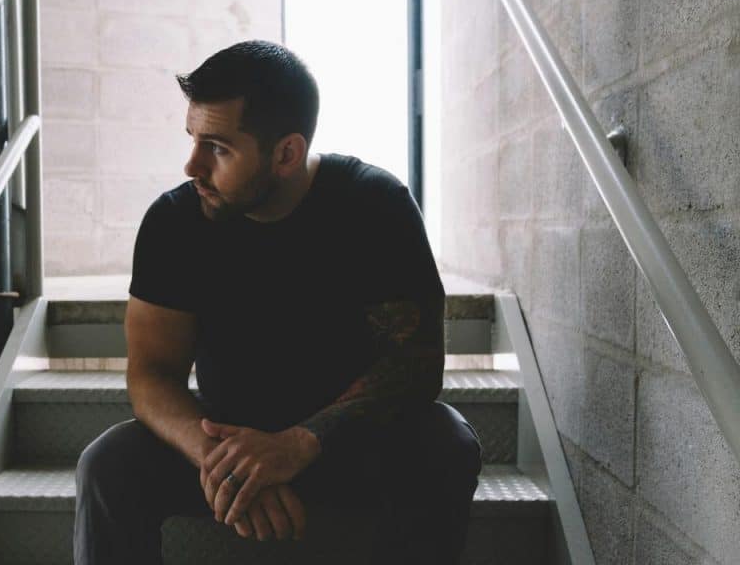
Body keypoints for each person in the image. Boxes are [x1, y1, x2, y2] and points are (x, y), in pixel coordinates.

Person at [74, 40, 481, 565]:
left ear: (286, 153)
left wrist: (298, 444)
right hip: (224, 442)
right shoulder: (175, 224)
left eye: (218, 148)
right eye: (193, 139)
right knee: (106, 464)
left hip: (343, 444)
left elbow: (416, 365)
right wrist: (226, 464)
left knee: (447, 443)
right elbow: (151, 374)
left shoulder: (375, 206)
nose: (192, 165)